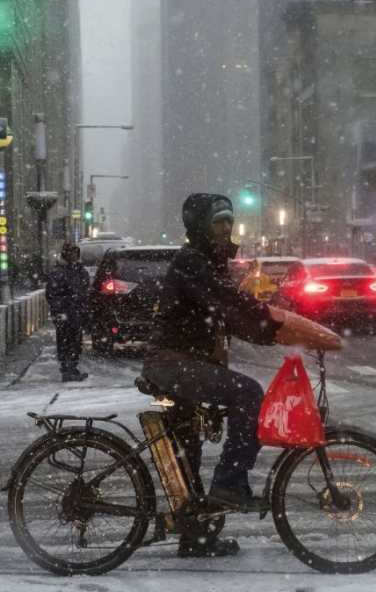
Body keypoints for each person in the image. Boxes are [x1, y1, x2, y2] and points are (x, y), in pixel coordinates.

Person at [142, 193, 283, 558]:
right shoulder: (193, 261)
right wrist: (270, 319)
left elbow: (226, 313)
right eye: (219, 221)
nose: (227, 226)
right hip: (172, 363)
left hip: (179, 363)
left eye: (229, 220)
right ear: (201, 227)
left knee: (187, 447)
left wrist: (266, 329)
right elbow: (227, 301)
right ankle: (230, 482)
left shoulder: (207, 260)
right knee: (249, 393)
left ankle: (194, 537)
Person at [45, 243, 91, 382]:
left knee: (76, 341)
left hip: (76, 312)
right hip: (65, 313)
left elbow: (84, 291)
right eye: (72, 253)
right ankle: (67, 368)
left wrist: (84, 309)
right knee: (66, 340)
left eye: (76, 253)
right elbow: (52, 294)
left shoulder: (80, 271)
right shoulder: (58, 272)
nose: (75, 256)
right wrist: (63, 308)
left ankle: (72, 367)